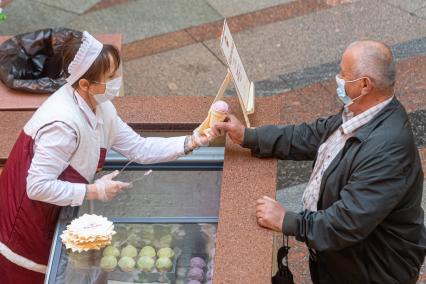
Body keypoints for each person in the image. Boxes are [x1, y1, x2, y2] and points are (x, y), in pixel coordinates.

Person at [0, 31, 214, 283]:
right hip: (29, 224)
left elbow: (139, 148)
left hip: (58, 213)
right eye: (110, 77)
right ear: (84, 84)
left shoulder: (101, 107)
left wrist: (190, 142)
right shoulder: (61, 125)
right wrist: (94, 191)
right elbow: (37, 187)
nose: (116, 82)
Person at [213, 40, 426, 283]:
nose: (337, 79)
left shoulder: (387, 151)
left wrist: (287, 221)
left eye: (343, 74)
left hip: (371, 271)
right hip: (340, 261)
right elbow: (313, 135)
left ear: (365, 85)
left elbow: (346, 222)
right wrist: (248, 136)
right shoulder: (360, 112)